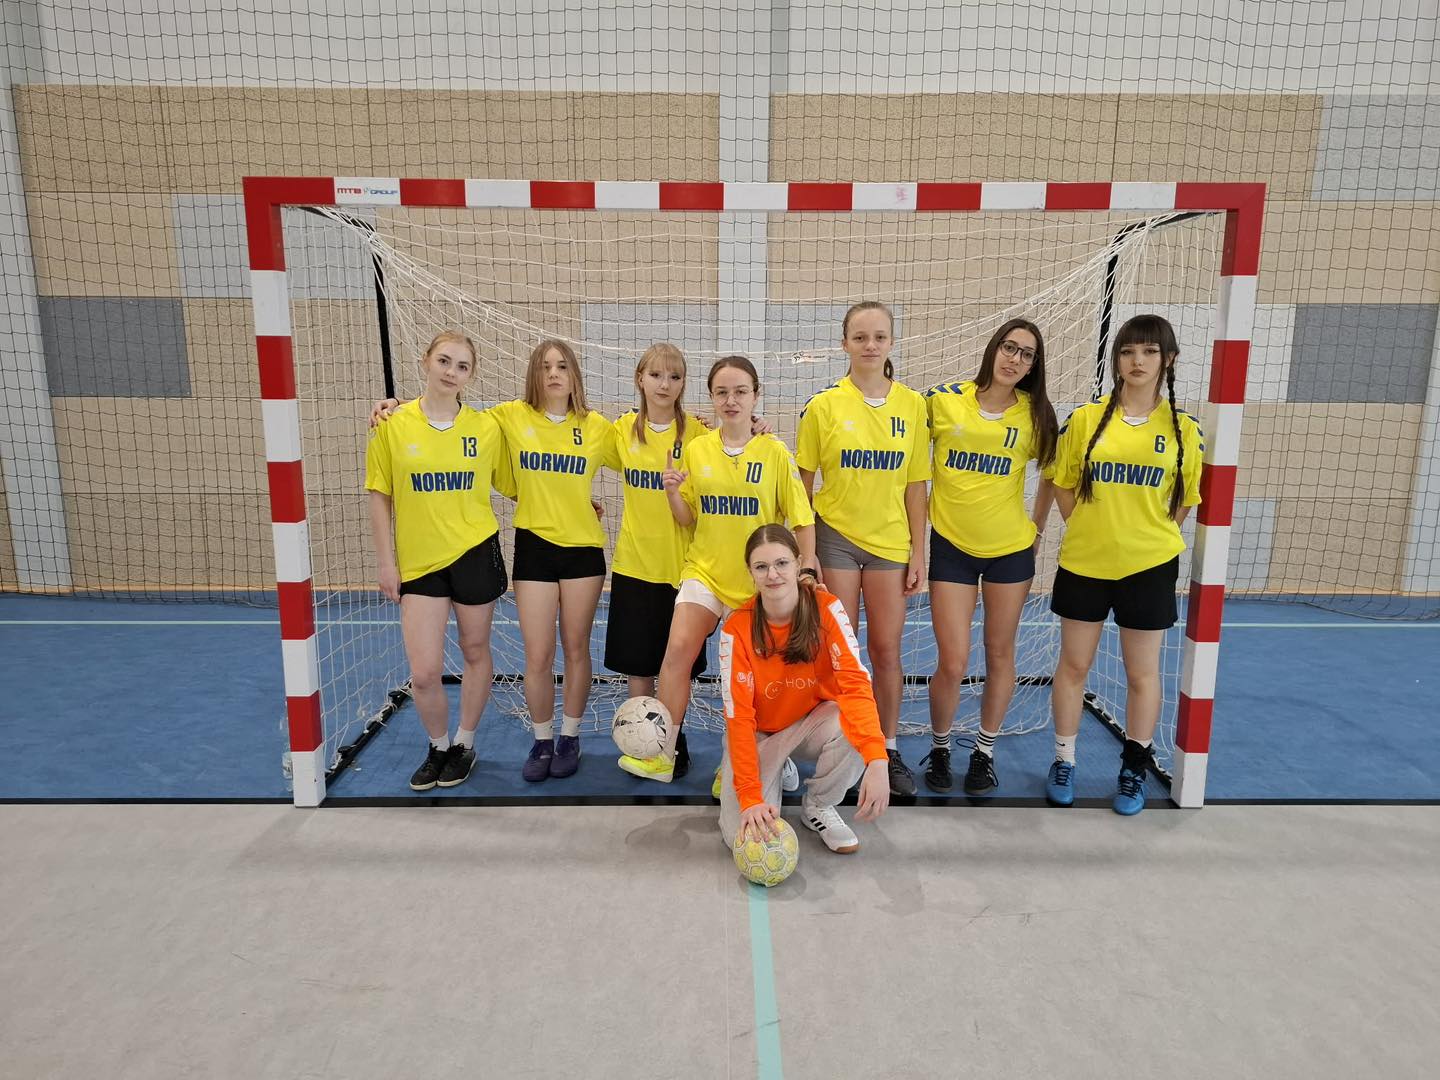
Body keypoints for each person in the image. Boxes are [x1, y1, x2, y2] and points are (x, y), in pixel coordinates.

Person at [620, 356, 816, 784]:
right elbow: (687, 518)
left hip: (756, 582)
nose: (731, 400)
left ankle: (743, 760)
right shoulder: (697, 449)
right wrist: (673, 493)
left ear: (755, 396)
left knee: (746, 677)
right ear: (711, 397)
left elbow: (802, 521)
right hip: (704, 572)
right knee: (677, 652)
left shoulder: (775, 452)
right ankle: (663, 753)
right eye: (722, 392)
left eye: (740, 391)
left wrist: (806, 571)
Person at [1045, 314, 1203, 815]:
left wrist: (1146, 537)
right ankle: (1064, 759)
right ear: (1116, 360)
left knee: (1142, 673)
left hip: (1148, 567)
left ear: (1168, 360)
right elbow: (1063, 484)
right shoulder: (1086, 419)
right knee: (1074, 666)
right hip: (1085, 562)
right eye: (1129, 351)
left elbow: (1185, 500)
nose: (1138, 361)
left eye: (1150, 352)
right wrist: (1090, 527)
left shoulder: (1183, 429)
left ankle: (1134, 769)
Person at [365, 331, 511, 791]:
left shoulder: (486, 428)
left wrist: (576, 503)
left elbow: (518, 482)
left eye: (462, 366)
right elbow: (379, 495)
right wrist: (386, 563)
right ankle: (437, 745)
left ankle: (463, 743)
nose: (451, 372)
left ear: (471, 375)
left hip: (475, 553)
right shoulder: (391, 425)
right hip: (420, 563)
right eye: (444, 361)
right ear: (426, 360)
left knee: (475, 651)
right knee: (425, 672)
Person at [796, 301, 931, 796]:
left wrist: (919, 553)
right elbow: (801, 485)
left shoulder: (912, 406)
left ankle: (887, 750)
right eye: (860, 337)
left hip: (890, 544)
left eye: (879, 337)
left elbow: (916, 486)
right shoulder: (824, 406)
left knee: (886, 650)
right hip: (835, 538)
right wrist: (806, 551)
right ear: (844, 344)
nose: (870, 345)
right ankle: (841, 751)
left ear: (892, 342)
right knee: (840, 652)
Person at [921, 318, 1058, 795]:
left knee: (1000, 654)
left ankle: (984, 752)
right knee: (953, 660)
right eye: (1009, 347)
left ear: (1033, 366)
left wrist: (1037, 527)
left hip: (1010, 554)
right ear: (993, 349)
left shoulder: (1036, 416)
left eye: (1026, 354)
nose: (1015, 359)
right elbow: (890, 424)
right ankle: (940, 747)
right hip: (952, 549)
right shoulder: (944, 401)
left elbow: (1053, 474)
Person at [489, 340, 619, 782]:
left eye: (562, 366)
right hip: (534, 549)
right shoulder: (511, 416)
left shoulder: (597, 427)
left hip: (583, 551)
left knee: (576, 647)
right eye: (544, 367)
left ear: (574, 374)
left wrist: (695, 428)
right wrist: (397, 408)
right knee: (538, 653)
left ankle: (570, 737)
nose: (553, 374)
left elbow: (646, 442)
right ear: (534, 374)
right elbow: (455, 419)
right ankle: (542, 739)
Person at [719, 524, 891, 853]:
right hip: (760, 733)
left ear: (799, 564)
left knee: (854, 725)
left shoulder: (826, 609)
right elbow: (739, 718)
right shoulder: (737, 628)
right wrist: (751, 797)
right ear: (750, 572)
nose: (773, 574)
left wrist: (877, 759)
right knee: (744, 840)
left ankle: (819, 806)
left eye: (782, 563)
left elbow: (855, 685)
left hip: (812, 723)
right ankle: (776, 767)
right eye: (761, 566)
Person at [606, 343, 709, 771]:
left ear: (683, 383)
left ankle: (672, 737)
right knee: (639, 665)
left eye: (675, 376)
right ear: (640, 379)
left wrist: (759, 427)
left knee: (677, 665)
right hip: (634, 565)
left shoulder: (699, 436)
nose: (665, 384)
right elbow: (573, 452)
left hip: (683, 568)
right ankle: (642, 740)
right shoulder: (620, 431)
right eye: (656, 375)